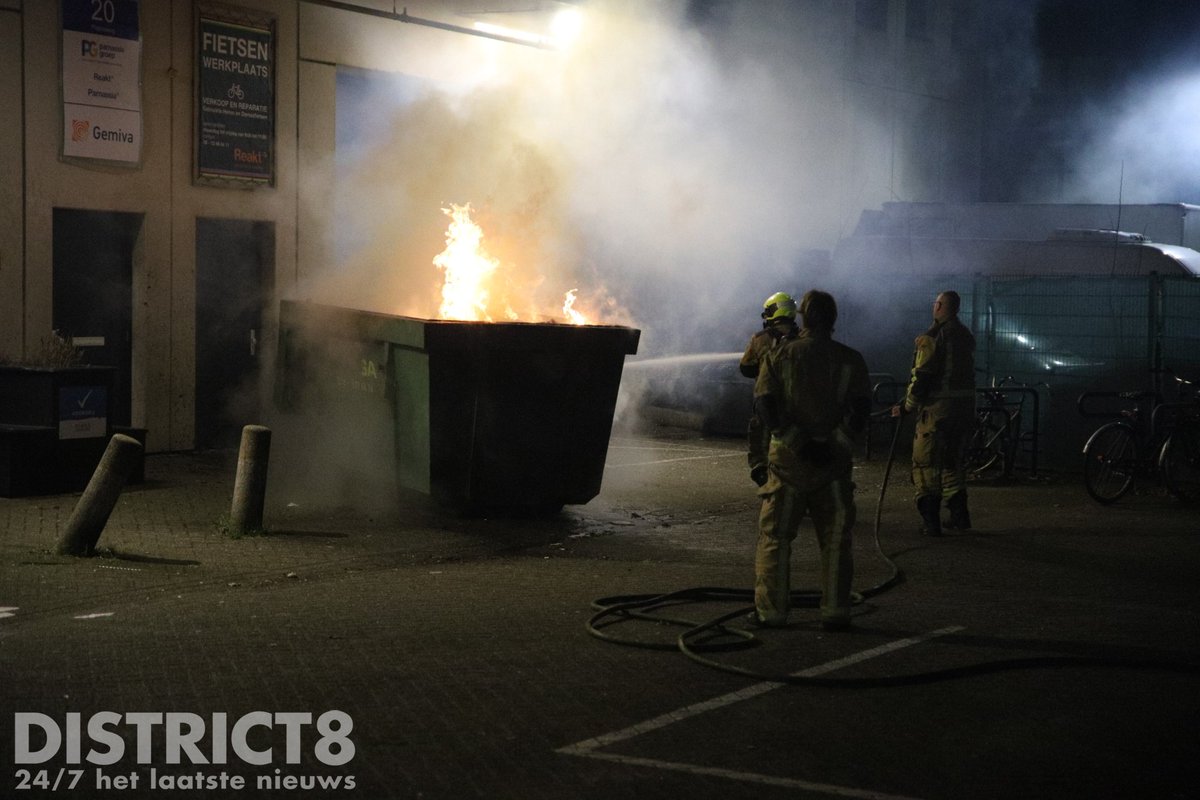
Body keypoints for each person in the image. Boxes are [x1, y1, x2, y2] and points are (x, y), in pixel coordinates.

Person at [751, 290, 872, 631]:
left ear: (803, 316)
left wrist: (799, 444)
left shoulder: (779, 355)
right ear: (833, 319)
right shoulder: (851, 359)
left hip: (788, 466)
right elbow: (860, 409)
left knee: (776, 539)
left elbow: (765, 405)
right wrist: (833, 446)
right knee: (835, 541)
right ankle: (835, 612)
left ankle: (771, 613)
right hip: (833, 468)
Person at [890, 290, 976, 536]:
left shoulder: (933, 337)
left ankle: (931, 523)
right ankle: (960, 517)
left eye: (935, 303)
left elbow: (923, 377)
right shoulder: (965, 335)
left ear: (939, 306)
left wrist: (906, 407)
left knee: (926, 465)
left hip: (937, 413)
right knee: (952, 464)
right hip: (963, 411)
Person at [739, 292, 800, 487]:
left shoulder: (760, 339)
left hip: (766, 402)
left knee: (760, 441)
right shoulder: (803, 339)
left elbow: (746, 368)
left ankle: (763, 474)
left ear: (774, 311)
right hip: (797, 404)